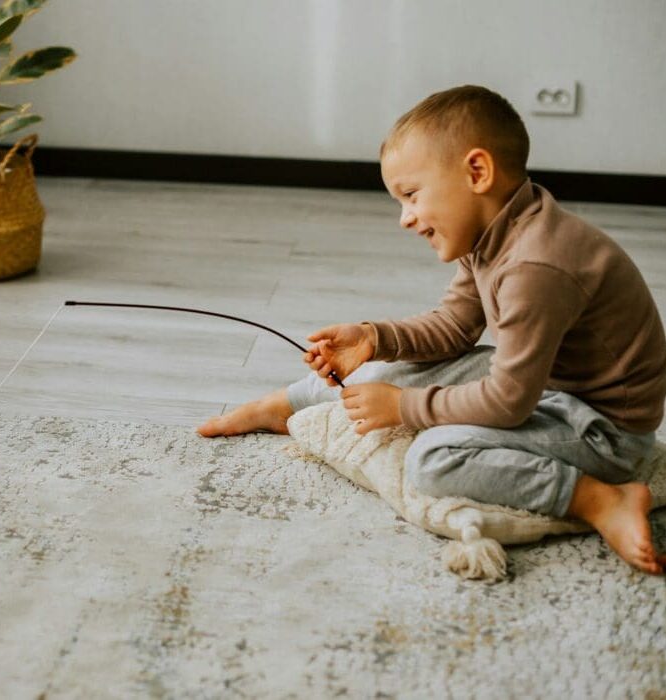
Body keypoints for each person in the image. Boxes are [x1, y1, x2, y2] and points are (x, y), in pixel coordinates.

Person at [198, 85, 666, 575]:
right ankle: (290, 403)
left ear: (477, 173)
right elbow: (454, 328)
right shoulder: (494, 233)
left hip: (601, 432)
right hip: (548, 386)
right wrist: (374, 338)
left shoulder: (536, 267)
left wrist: (403, 408)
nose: (405, 218)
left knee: (432, 459)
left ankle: (599, 499)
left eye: (411, 195)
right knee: (401, 366)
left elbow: (509, 403)